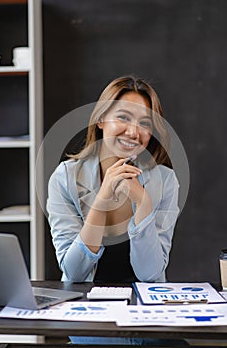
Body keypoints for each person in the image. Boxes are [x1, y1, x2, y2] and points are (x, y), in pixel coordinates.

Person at [47, 75, 182, 345]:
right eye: (123, 117)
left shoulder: (165, 181)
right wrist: (102, 201)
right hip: (88, 310)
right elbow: (73, 273)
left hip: (148, 313)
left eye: (145, 123)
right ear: (101, 120)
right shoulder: (64, 178)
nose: (133, 132)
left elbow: (151, 274)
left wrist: (142, 202)